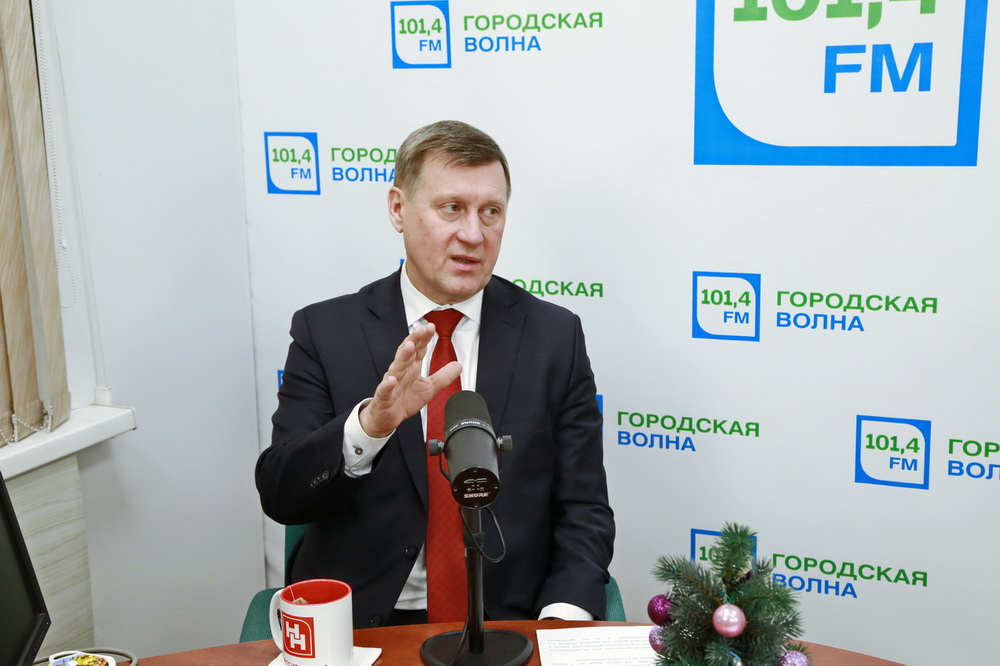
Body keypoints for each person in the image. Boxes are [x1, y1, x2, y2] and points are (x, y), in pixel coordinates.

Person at [255, 120, 614, 629]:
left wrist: (559, 623)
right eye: (451, 208)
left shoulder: (554, 336)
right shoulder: (326, 331)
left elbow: (584, 509)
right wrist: (369, 428)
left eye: (491, 212)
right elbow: (281, 494)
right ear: (398, 209)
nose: (474, 234)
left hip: (509, 623)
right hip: (362, 625)